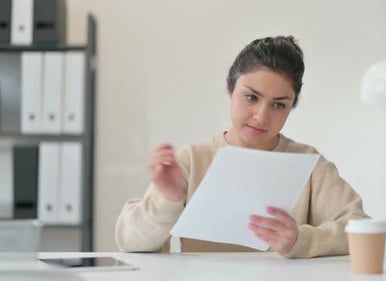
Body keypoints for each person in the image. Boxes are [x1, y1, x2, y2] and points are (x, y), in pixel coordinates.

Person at [115, 35, 369, 258]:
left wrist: (301, 241)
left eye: (279, 105)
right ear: (230, 86)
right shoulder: (191, 159)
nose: (261, 116)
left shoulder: (310, 165)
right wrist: (168, 200)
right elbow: (130, 242)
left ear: (292, 105)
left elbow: (360, 229)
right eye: (251, 97)